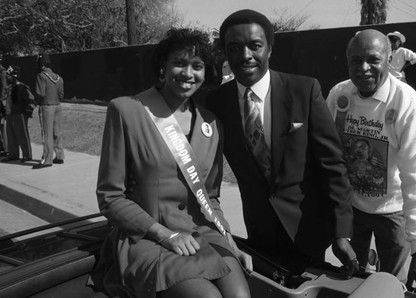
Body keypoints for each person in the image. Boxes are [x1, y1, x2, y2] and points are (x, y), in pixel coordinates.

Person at [88, 28, 251, 298]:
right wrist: (165, 234)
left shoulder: (212, 124)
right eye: (179, 63)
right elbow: (110, 197)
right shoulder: (126, 110)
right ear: (163, 66)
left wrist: (230, 242)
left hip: (200, 233)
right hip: (147, 237)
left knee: (240, 295)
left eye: (197, 66)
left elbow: (210, 198)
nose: (188, 74)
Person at [206, 9, 357, 278]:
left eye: (255, 46)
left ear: (270, 48)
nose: (245, 56)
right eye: (234, 48)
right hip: (259, 231)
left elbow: (333, 165)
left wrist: (341, 231)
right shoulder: (215, 103)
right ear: (226, 54)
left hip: (308, 230)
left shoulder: (304, 90)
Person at [325, 29, 416, 298]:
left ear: (389, 60)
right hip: (351, 208)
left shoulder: (407, 105)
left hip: (393, 211)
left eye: (373, 60)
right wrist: (334, 221)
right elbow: (327, 158)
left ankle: (382, 265)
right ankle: (368, 260)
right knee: (351, 280)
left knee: (393, 285)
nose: (363, 68)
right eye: (356, 60)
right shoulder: (338, 96)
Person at [33, 53, 64, 169]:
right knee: (57, 132)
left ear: (41, 65)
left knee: (47, 134)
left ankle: (47, 159)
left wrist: (36, 102)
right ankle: (60, 156)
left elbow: (40, 93)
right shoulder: (59, 77)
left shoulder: (41, 76)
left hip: (46, 107)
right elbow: (61, 94)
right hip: (58, 106)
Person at [1, 66, 32, 163]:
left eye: (9, 75)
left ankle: (27, 155)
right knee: (11, 135)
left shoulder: (21, 87)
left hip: (20, 115)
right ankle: (13, 155)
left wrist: (27, 113)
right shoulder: (8, 88)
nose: (6, 77)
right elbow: (4, 100)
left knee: (22, 135)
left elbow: (31, 100)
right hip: (9, 114)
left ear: (14, 76)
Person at [0, 55, 8, 156]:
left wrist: (2, 99)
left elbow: (3, 85)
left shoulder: (2, 71)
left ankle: (6, 148)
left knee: (3, 124)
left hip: (1, 101)